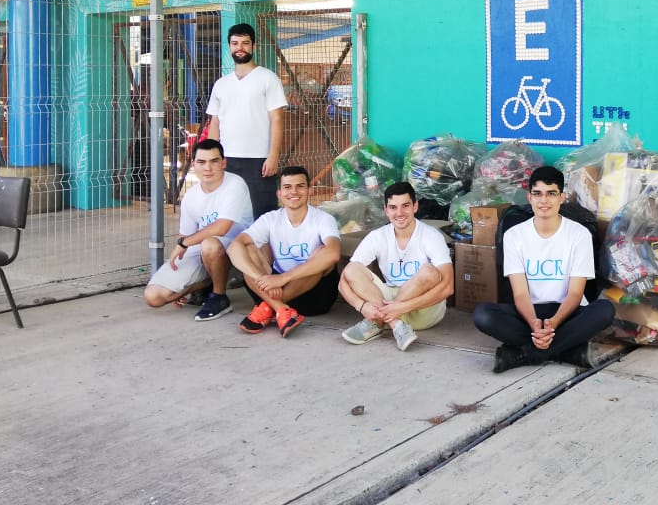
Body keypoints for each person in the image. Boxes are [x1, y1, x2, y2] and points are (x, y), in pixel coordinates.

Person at [472, 166, 615, 373]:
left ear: (561, 197)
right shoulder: (514, 235)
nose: (544, 201)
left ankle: (524, 354)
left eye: (551, 194)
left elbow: (576, 293)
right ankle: (568, 351)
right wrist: (534, 325)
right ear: (529, 198)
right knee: (483, 314)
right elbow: (520, 293)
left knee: (605, 310)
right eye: (537, 194)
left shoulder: (579, 234)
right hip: (529, 312)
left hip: (566, 312)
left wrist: (553, 324)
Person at [143, 139, 253, 321]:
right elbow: (186, 235)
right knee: (154, 296)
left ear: (224, 163)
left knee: (210, 244)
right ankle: (203, 285)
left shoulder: (235, 184)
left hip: (237, 250)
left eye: (214, 161)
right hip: (205, 252)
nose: (207, 168)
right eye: (201, 162)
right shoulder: (191, 196)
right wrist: (181, 284)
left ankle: (219, 297)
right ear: (193, 164)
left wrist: (184, 243)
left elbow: (222, 227)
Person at [338, 181, 454, 351]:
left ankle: (378, 322)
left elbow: (448, 287)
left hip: (422, 310)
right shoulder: (377, 237)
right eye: (393, 207)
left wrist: (402, 306)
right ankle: (396, 325)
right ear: (386, 210)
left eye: (405, 206)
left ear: (415, 206)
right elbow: (343, 281)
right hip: (387, 302)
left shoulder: (431, 236)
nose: (399, 213)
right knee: (351, 269)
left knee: (429, 271)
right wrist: (362, 306)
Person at [227, 166, 341, 338]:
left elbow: (333, 254)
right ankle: (280, 309)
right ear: (279, 193)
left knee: (321, 253)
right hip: (272, 288)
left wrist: (281, 279)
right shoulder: (270, 219)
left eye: (300, 186)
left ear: (309, 190)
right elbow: (234, 248)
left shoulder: (323, 219)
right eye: (287, 187)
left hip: (313, 296)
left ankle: (267, 307)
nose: (293, 192)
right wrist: (262, 280)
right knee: (247, 248)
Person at [205, 23, 287, 219]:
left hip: (259, 159)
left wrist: (273, 156)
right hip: (227, 159)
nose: (239, 47)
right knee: (228, 213)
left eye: (245, 43)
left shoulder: (268, 79)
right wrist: (212, 158)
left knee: (262, 213)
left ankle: (262, 250)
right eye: (235, 43)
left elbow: (277, 119)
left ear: (254, 46)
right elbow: (215, 123)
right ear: (229, 46)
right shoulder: (221, 85)